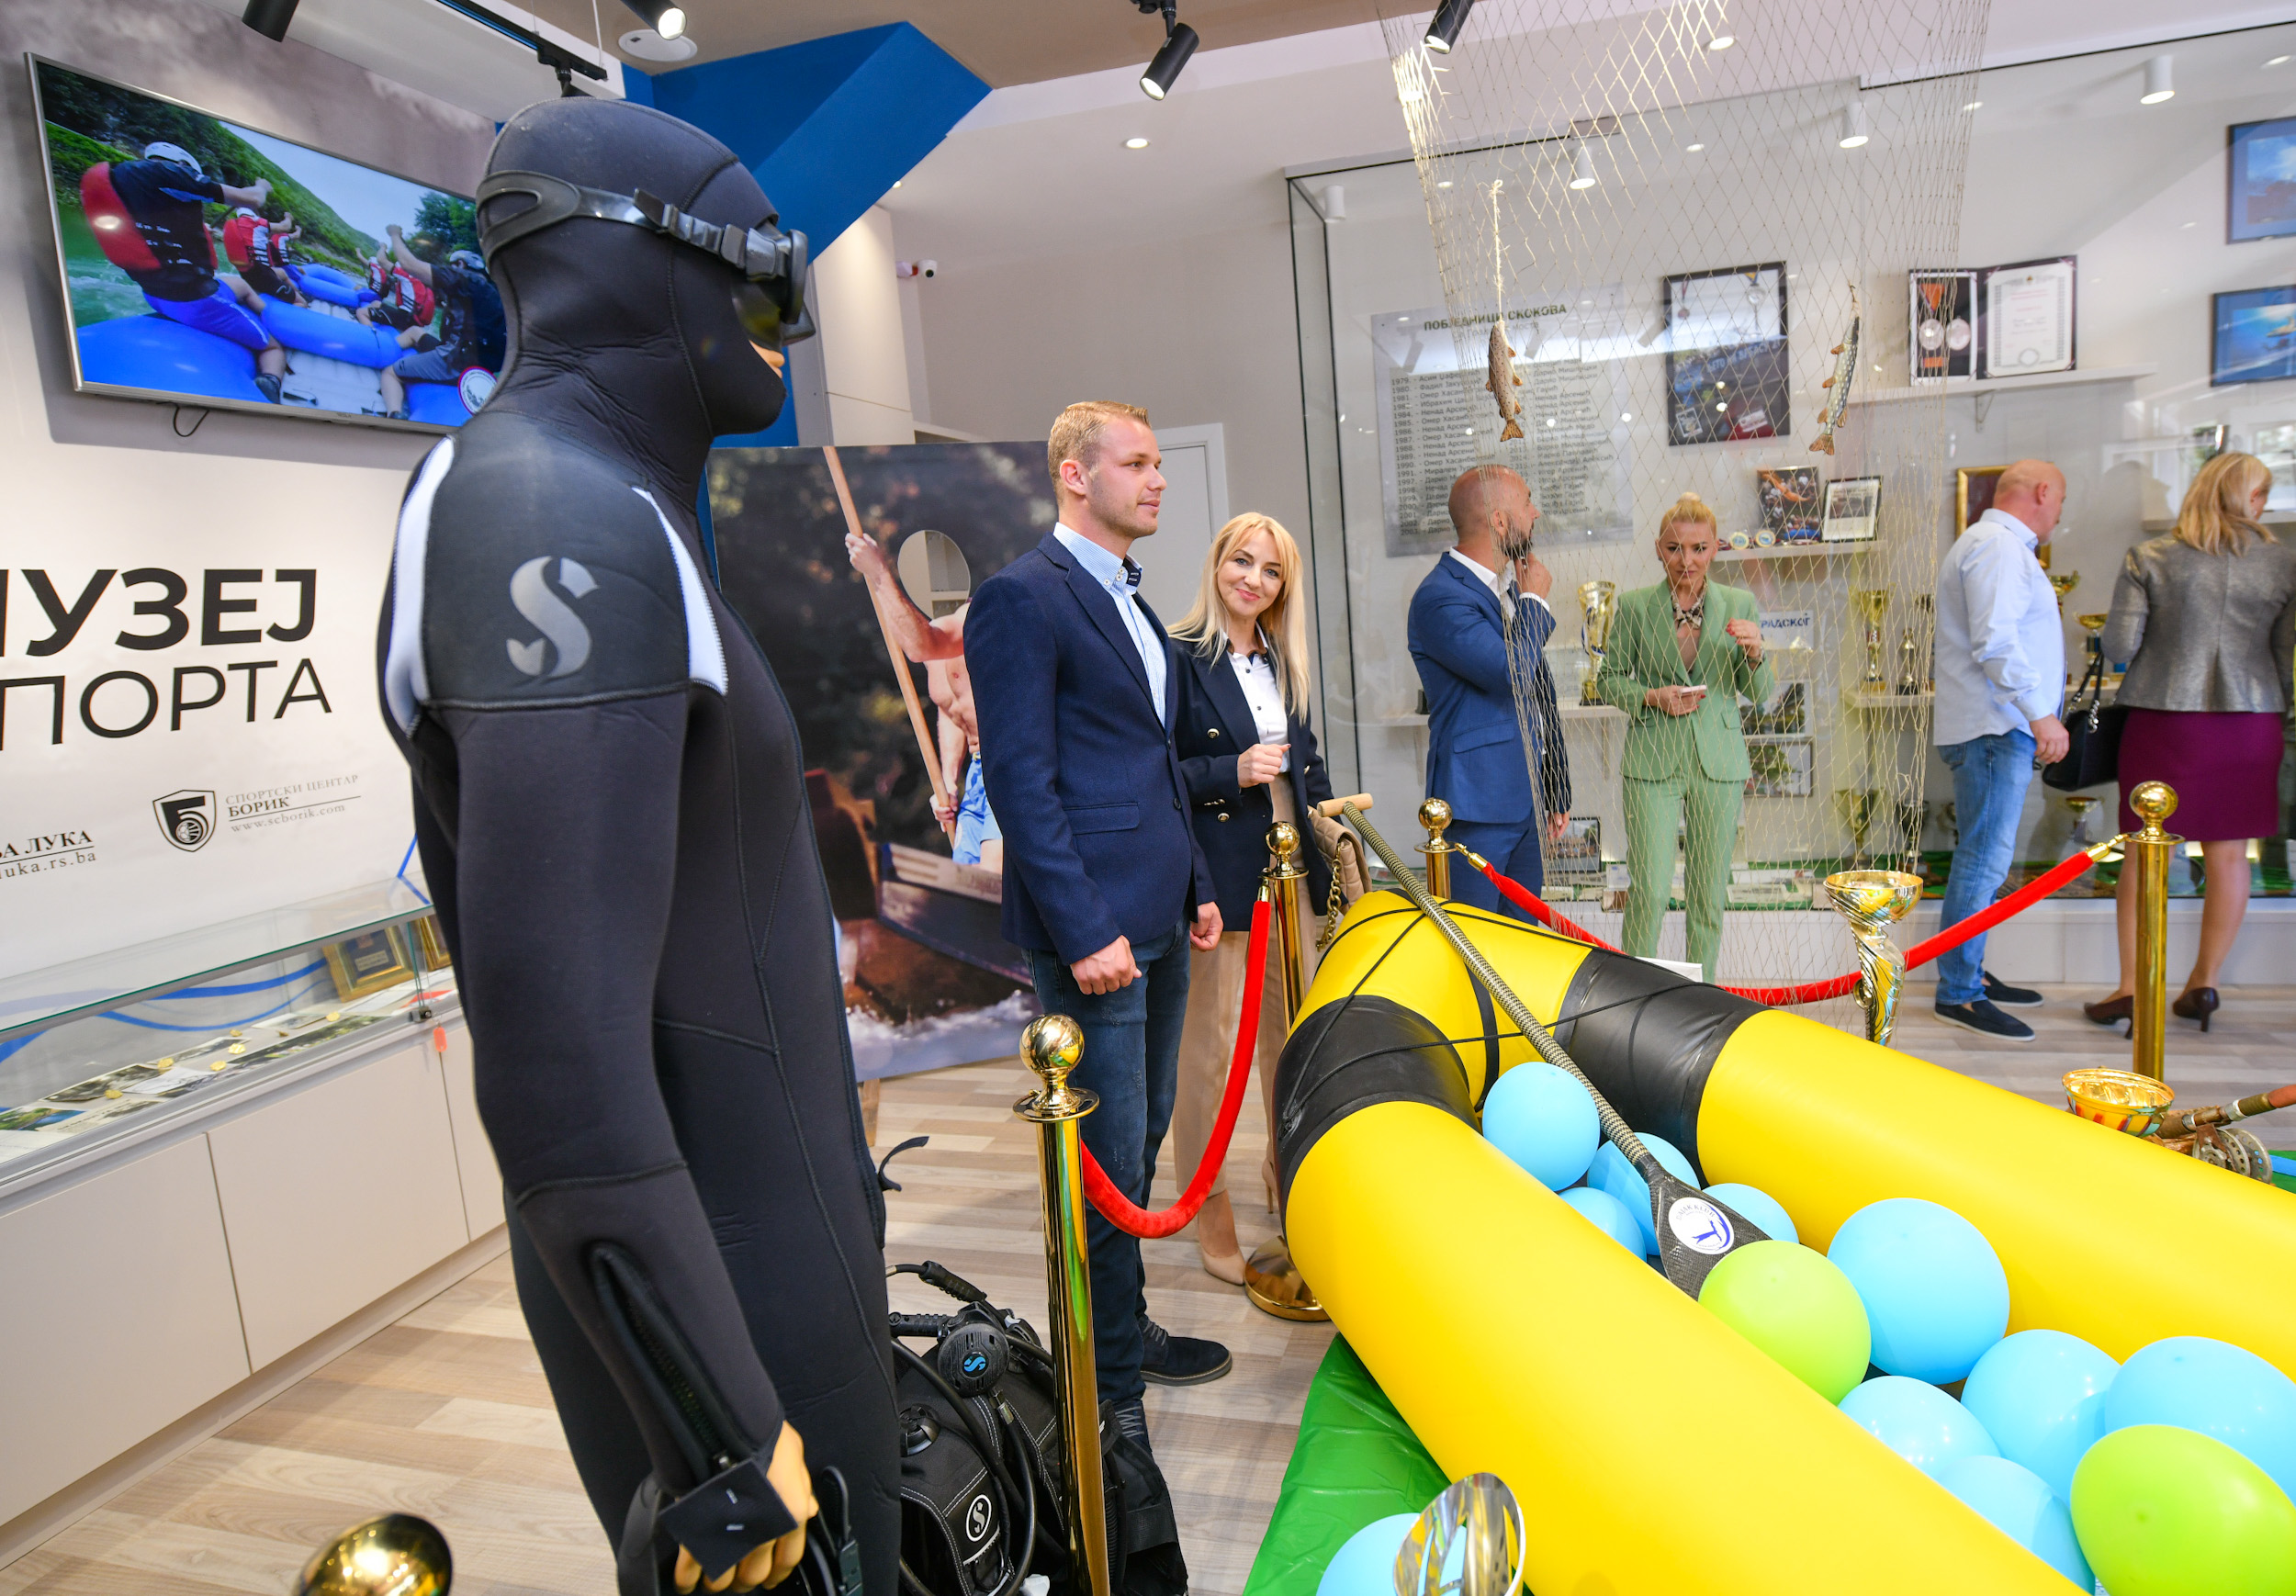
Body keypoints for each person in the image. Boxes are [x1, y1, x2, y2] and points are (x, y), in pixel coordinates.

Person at [374, 96, 895, 1595]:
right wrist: (729, 1450)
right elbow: (560, 1073)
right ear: (637, 261)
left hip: (762, 1238)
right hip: (730, 1286)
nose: (787, 327)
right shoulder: (546, 512)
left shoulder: (600, 504)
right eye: (767, 280)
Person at [966, 400, 1231, 1458]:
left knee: (1142, 1131)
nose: (1157, 479)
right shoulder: (1020, 597)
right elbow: (1019, 783)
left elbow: (1154, 765)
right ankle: (1106, 1385)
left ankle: (1123, 1327)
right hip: (1095, 931)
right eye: (1137, 462)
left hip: (1158, 910)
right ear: (1075, 475)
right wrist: (1081, 929)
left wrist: (1197, 882)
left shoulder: (1130, 597)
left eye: (1159, 462)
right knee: (1105, 1159)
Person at [1166, 512, 1334, 1283]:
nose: (1254, 581)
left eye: (1271, 571)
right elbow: (1157, 772)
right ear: (1217, 563)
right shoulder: (1177, 655)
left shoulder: (1282, 662)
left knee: (1290, 1039)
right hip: (1219, 871)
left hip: (1292, 870)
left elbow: (1310, 769)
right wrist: (1228, 772)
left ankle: (1283, 1172)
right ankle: (1208, 1205)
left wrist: (1336, 858)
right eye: (1243, 561)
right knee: (1209, 1049)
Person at [2081, 452, 2296, 1030]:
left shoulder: (2150, 557)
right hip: (2252, 721)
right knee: (2229, 855)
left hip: (2166, 721)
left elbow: (2119, 646)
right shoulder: (2284, 564)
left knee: (2147, 853)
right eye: (2261, 493)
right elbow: (2284, 656)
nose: (2263, 505)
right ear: (2248, 498)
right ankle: (2204, 985)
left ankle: (2131, 989)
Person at [1594, 493, 1773, 982]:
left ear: (1715, 548)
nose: (1686, 560)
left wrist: (1756, 654)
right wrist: (1653, 696)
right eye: (1675, 548)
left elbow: (1759, 694)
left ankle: (1701, 999)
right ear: (1659, 549)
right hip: (1651, 760)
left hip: (1719, 761)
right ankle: (1635, 997)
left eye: (1698, 548)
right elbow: (1608, 681)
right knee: (1649, 892)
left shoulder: (1739, 604)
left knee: (1708, 895)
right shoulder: (1634, 607)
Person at [1930, 458, 2070, 1040]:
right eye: (2060, 500)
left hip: (1994, 727)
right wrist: (2041, 714)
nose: (2059, 512)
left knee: (1985, 859)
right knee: (1983, 860)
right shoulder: (1997, 546)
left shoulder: (1995, 544)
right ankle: (1959, 992)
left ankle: (1971, 975)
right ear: (2043, 491)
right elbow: (1996, 641)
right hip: (1994, 727)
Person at [1408, 465, 1570, 914]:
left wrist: (1556, 784)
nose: (1535, 513)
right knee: (1475, 942)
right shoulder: (1440, 596)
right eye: (1527, 502)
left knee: (1522, 938)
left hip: (1527, 802)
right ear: (1499, 521)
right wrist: (1534, 601)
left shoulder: (1505, 588)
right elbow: (1510, 673)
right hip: (1476, 804)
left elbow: (1540, 692)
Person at [841, 535, 1002, 868]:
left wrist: (879, 574)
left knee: (994, 882)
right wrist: (948, 782)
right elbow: (952, 710)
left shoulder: (976, 621)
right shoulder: (937, 645)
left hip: (1010, 766)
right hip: (978, 772)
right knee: (969, 888)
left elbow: (918, 646)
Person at [87, 143, 287, 401]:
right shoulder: (171, 173)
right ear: (183, 165)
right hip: (196, 302)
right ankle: (270, 378)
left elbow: (157, 229)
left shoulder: (127, 178)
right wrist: (262, 186)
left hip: (155, 295)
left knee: (241, 285)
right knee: (273, 348)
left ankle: (261, 314)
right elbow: (255, 199)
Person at [377, 224, 505, 418]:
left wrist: (394, 234)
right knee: (415, 331)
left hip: (455, 363)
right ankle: (386, 350)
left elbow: (408, 264)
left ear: (460, 264)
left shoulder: (463, 279)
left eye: (452, 265)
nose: (448, 269)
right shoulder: (490, 292)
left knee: (390, 373)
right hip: (477, 367)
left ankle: (393, 414)